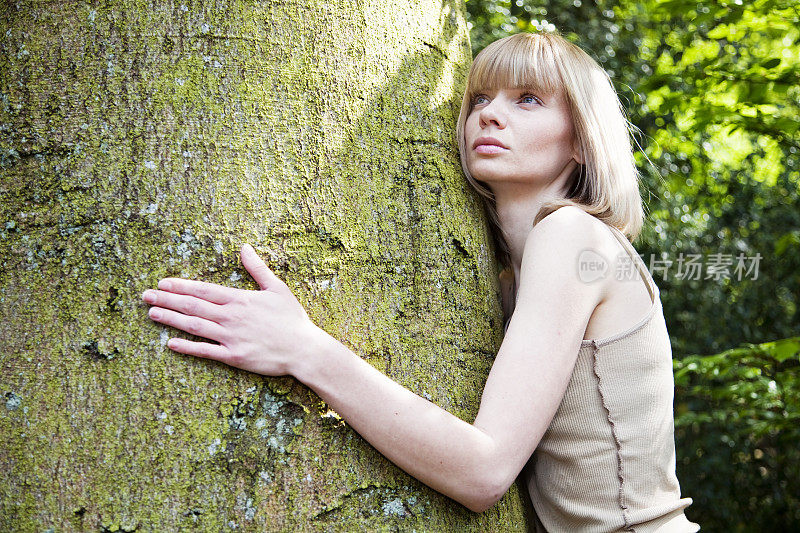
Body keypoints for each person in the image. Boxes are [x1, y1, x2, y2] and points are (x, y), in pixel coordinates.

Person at [142, 32, 700, 532]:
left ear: (580, 140)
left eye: (527, 99)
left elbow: (485, 470)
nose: (489, 115)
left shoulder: (573, 237)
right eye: (480, 98)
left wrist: (304, 349)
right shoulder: (514, 277)